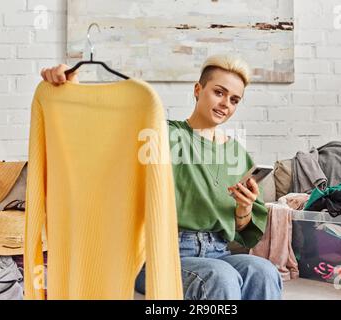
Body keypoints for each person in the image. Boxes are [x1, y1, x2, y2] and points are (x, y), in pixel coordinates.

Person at [40, 55, 283, 300]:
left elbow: (245, 230)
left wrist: (244, 208)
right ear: (198, 90)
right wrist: (71, 89)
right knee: (219, 276)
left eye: (234, 100)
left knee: (263, 270)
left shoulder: (237, 155)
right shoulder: (162, 133)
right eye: (219, 92)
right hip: (162, 254)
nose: (225, 104)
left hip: (218, 251)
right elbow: (105, 128)